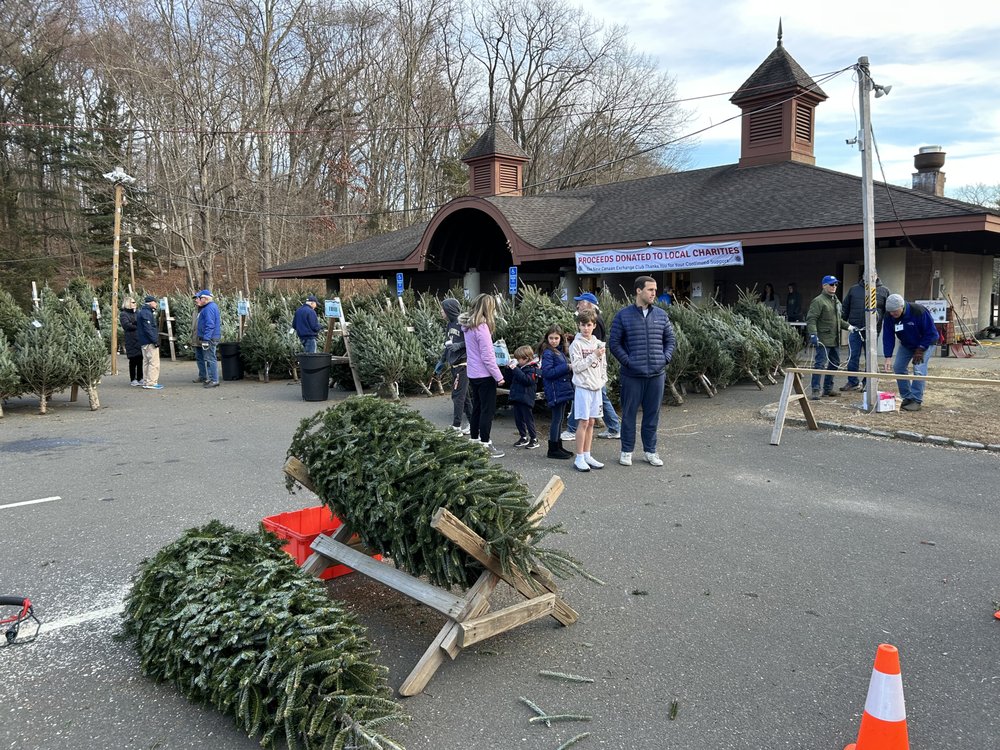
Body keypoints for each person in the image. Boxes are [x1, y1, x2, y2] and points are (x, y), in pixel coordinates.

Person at [608, 275, 676, 468]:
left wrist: (664, 359)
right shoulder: (623, 315)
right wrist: (628, 362)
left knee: (652, 415)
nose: (654, 293)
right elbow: (614, 343)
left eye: (655, 290)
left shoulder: (661, 315)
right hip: (632, 376)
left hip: (656, 375)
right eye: (650, 290)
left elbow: (670, 340)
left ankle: (650, 452)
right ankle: (626, 451)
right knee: (629, 414)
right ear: (639, 291)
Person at [561, 292, 620, 441]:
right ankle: (613, 427)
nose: (578, 305)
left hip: (592, 373)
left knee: (599, 399)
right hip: (589, 374)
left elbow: (597, 350)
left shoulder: (596, 321)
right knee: (596, 400)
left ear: (588, 304)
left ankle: (573, 429)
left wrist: (602, 377)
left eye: (580, 302)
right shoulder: (592, 323)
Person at [460, 293, 505, 458]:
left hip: (472, 373)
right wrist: (499, 376)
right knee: (488, 410)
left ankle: (474, 440)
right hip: (485, 375)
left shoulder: (468, 326)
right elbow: (487, 356)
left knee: (477, 408)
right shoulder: (482, 327)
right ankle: (485, 443)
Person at [882, 293, 939, 412]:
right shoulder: (889, 316)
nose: (893, 314)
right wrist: (888, 356)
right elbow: (888, 336)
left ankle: (917, 400)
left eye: (895, 312)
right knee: (898, 367)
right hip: (906, 344)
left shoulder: (918, 311)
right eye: (890, 312)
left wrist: (920, 349)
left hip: (926, 343)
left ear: (902, 307)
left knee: (918, 369)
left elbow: (932, 333)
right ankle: (907, 397)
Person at [568, 309, 608, 472]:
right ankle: (579, 457)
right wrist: (593, 355)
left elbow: (603, 365)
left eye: (589, 325)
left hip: (596, 387)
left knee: (591, 421)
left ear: (594, 326)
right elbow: (577, 367)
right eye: (583, 325)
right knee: (583, 422)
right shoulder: (576, 344)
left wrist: (602, 380)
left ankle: (587, 454)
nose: (586, 328)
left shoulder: (598, 343)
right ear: (579, 325)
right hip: (583, 387)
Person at [805, 275, 854, 400]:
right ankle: (816, 389)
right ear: (824, 286)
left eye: (836, 284)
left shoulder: (836, 301)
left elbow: (839, 320)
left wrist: (849, 327)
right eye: (831, 284)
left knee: (834, 364)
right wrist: (813, 334)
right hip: (823, 340)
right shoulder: (819, 301)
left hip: (834, 339)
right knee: (820, 364)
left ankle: (828, 389)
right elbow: (811, 319)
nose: (834, 287)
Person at [840, 271, 890, 391]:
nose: (869, 278)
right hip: (855, 329)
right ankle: (852, 382)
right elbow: (845, 308)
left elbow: (888, 312)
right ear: (862, 277)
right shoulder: (854, 290)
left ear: (877, 276)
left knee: (870, 357)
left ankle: (868, 382)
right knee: (853, 356)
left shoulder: (884, 291)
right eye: (866, 276)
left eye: (872, 276)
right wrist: (842, 324)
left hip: (872, 331)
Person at [538, 324, 574, 460]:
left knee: (559, 419)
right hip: (555, 390)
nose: (553, 341)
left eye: (556, 338)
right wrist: (566, 367)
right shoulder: (548, 352)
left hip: (561, 390)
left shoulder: (559, 352)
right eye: (551, 338)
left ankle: (558, 446)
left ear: (561, 339)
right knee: (556, 420)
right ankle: (553, 449)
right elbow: (547, 372)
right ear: (547, 338)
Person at [441, 298, 471, 435]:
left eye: (443, 309)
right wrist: (441, 360)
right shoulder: (449, 325)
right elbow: (448, 344)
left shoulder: (463, 324)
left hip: (463, 365)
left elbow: (472, 340)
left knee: (457, 396)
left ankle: (456, 426)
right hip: (454, 364)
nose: (441, 312)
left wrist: (459, 345)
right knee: (465, 397)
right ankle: (473, 423)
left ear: (449, 310)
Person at [506, 345, 540, 450]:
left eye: (518, 359)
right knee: (518, 419)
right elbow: (509, 379)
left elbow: (526, 380)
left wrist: (515, 369)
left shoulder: (532, 369)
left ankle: (534, 438)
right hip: (517, 397)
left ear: (525, 359)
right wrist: (509, 369)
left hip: (526, 398)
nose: (517, 361)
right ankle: (523, 436)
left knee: (528, 419)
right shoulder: (520, 368)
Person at [195, 290, 222, 388]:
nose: (199, 299)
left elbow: (210, 325)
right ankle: (211, 379)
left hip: (210, 338)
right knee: (210, 358)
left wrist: (206, 339)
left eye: (200, 298)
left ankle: (214, 380)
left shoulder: (208, 309)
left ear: (205, 299)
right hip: (212, 337)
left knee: (211, 359)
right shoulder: (210, 307)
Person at [137, 295, 163, 390]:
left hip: (143, 342)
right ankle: (151, 382)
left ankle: (146, 381)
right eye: (155, 302)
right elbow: (148, 329)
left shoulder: (142, 312)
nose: (156, 304)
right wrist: (155, 340)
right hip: (149, 342)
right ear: (151, 302)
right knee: (153, 362)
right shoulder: (147, 313)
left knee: (146, 362)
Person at [119, 297, 143, 386]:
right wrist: (136, 325)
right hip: (131, 339)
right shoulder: (124, 314)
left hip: (139, 338)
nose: (135, 303)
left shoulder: (137, 312)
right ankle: (133, 379)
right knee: (133, 360)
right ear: (128, 303)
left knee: (140, 359)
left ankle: (140, 377)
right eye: (133, 302)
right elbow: (126, 325)